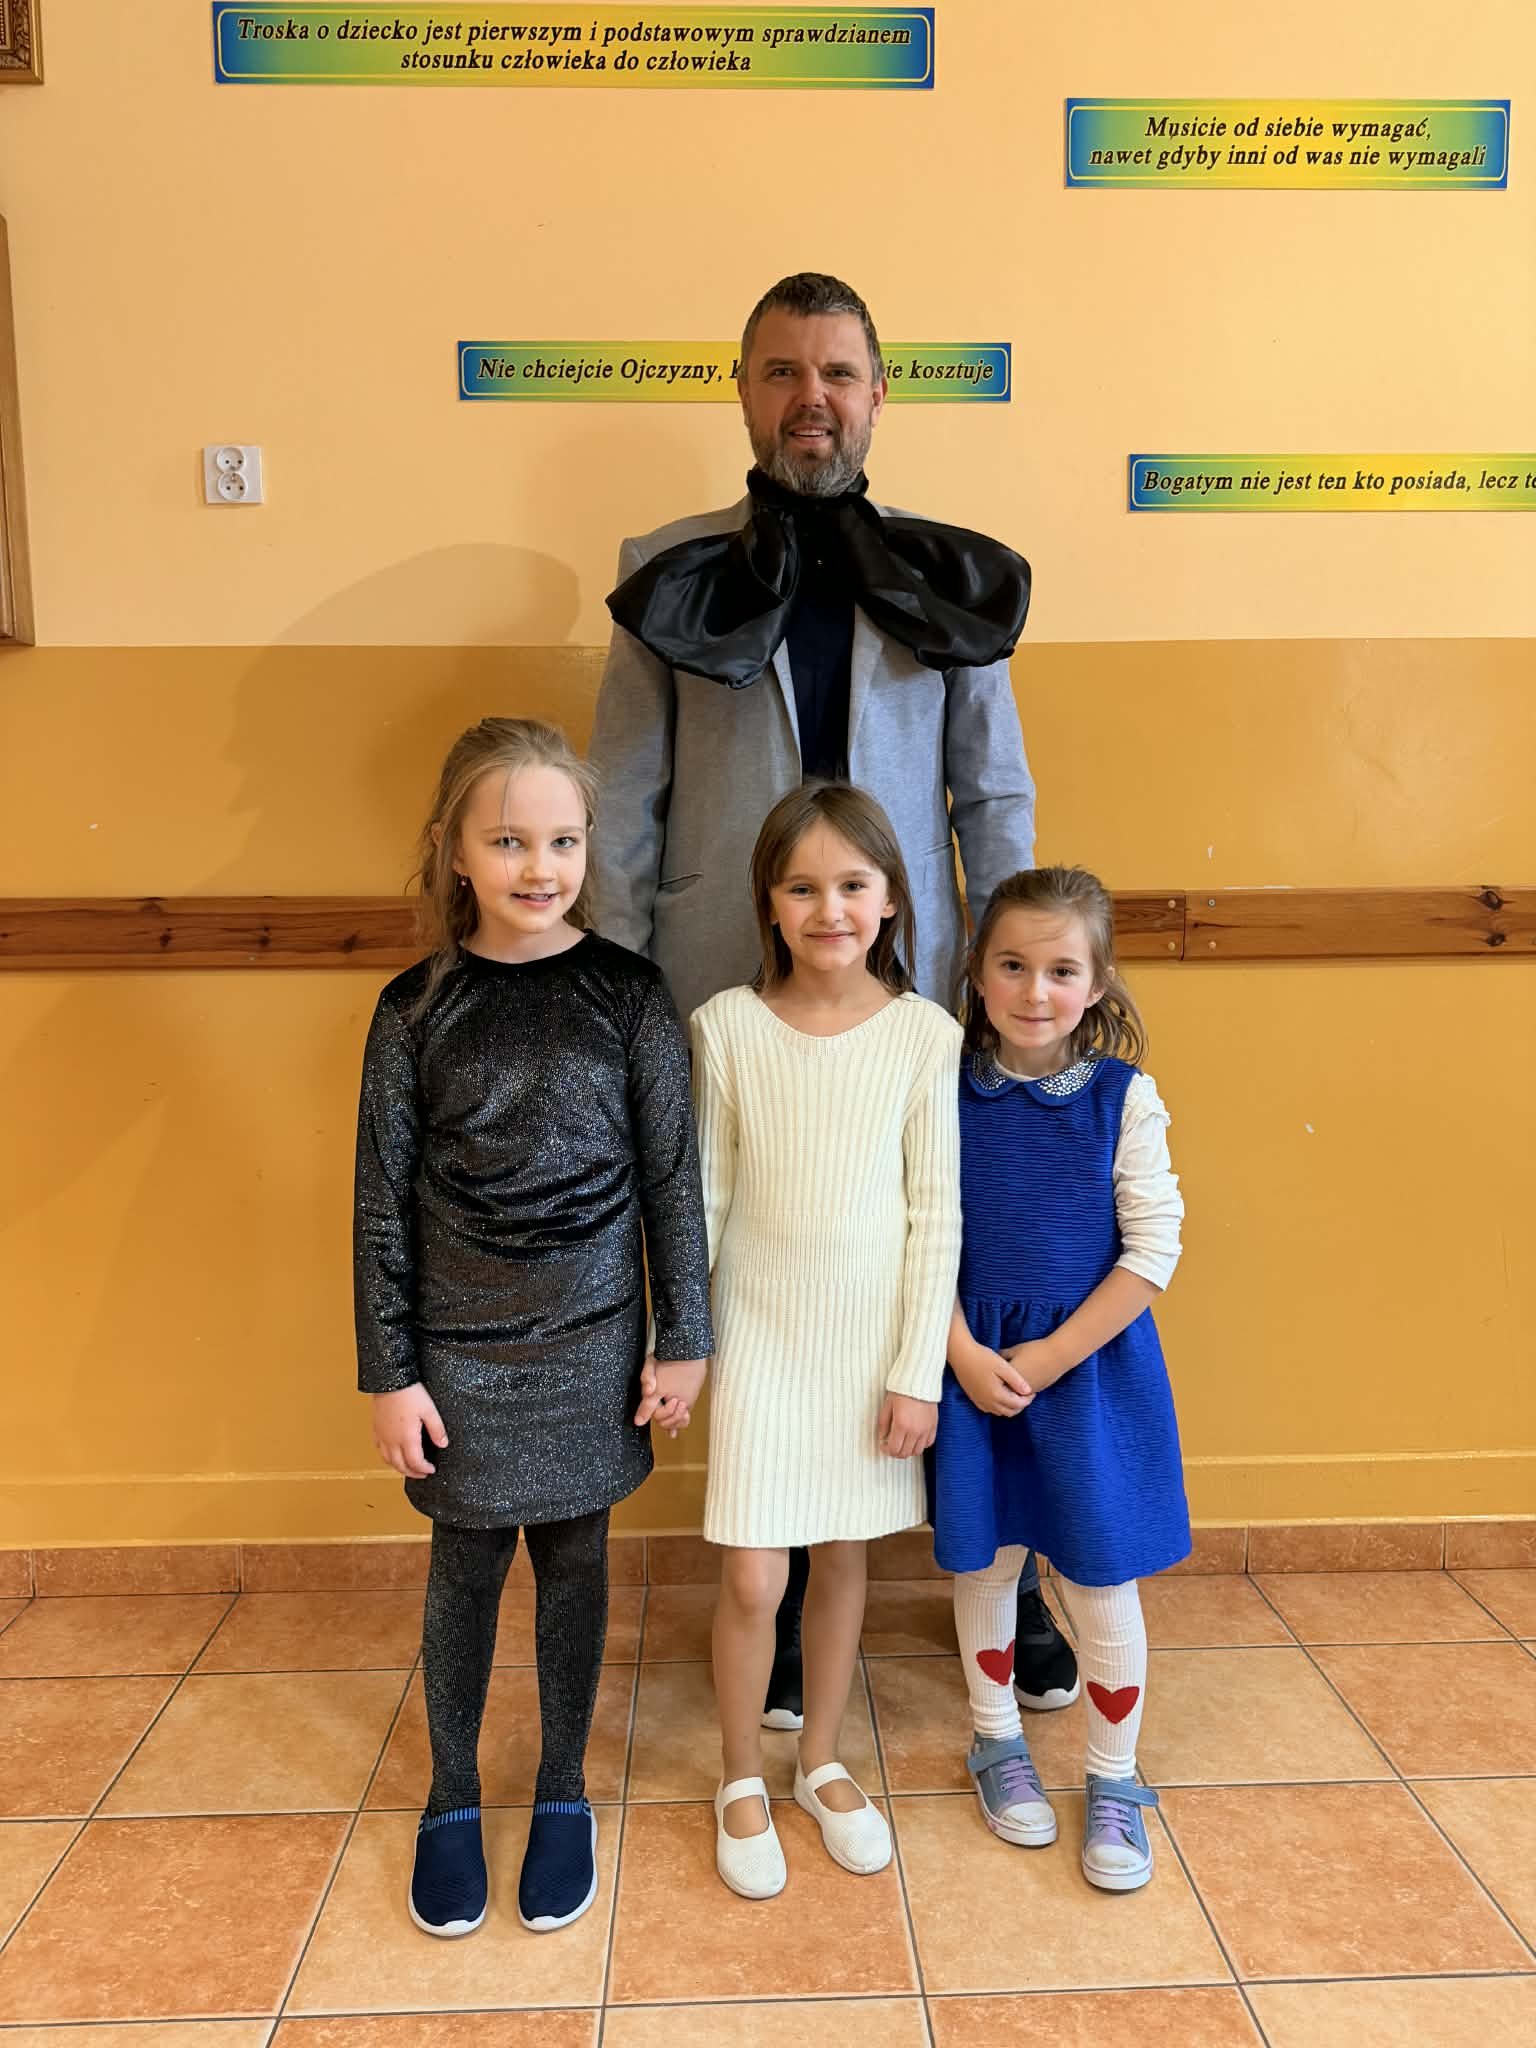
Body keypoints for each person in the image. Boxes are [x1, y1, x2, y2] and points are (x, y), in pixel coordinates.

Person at [591, 270, 1076, 1722]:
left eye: (840, 373)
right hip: (721, 991)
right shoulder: (663, 570)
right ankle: (793, 1577)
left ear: (878, 392)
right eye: (784, 372)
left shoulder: (950, 573)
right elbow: (622, 797)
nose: (813, 399)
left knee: (953, 1269)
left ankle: (1008, 1579)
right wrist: (616, 996)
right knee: (772, 1275)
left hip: (913, 1000)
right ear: (745, 391)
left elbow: (993, 796)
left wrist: (1014, 981)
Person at [353, 718, 712, 1939]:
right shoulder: (412, 1009)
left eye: (562, 839)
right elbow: (379, 1204)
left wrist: (684, 1336)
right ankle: (452, 1790)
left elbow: (673, 1180)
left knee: (573, 1560)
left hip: (596, 1339)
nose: (538, 865)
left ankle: (562, 1784)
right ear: (454, 849)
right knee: (464, 1570)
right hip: (456, 1350)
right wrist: (390, 1372)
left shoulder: (630, 994)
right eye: (508, 839)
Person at [691, 781, 961, 1898]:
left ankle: (820, 1759)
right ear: (769, 902)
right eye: (802, 887)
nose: (829, 909)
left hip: (868, 1351)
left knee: (845, 1558)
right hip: (759, 1339)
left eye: (852, 884)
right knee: (756, 1576)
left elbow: (936, 1215)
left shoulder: (924, 1036)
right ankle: (738, 1773)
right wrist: (683, 1341)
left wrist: (916, 1373)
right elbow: (705, 1199)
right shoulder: (726, 1027)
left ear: (890, 897)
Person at [932, 866, 1190, 1892]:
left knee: (1098, 1576)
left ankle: (1114, 1776)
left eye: (1061, 970)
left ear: (1098, 981)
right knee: (987, 1563)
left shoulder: (1124, 1100)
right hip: (971, 1369)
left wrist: (1047, 1356)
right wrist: (960, 1349)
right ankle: (996, 1739)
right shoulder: (941, 1089)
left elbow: (1153, 1249)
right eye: (1012, 965)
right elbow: (912, 1236)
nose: (1034, 990)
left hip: (1085, 1378)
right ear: (977, 971)